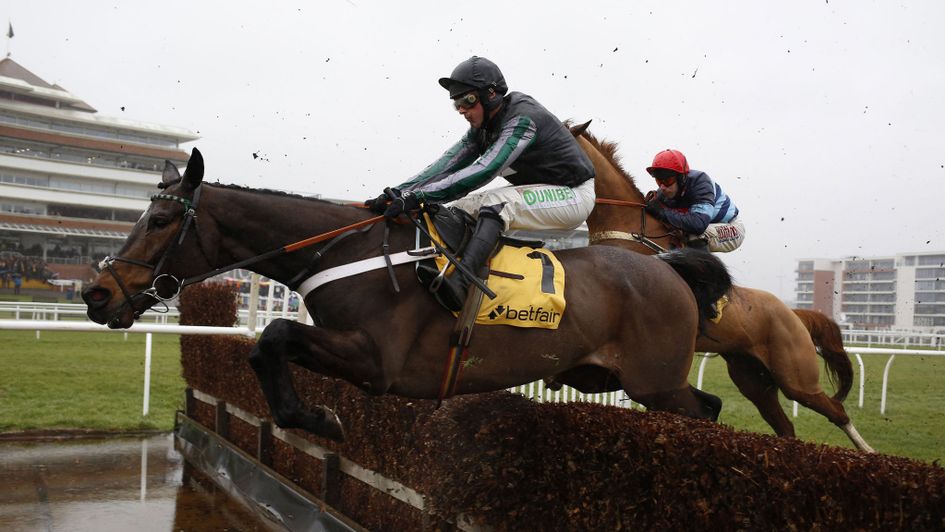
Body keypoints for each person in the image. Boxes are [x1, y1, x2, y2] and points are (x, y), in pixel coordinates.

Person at [366, 56, 596, 310]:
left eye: (468, 100)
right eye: (457, 104)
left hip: (573, 194)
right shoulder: (484, 127)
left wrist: (419, 196)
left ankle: (462, 284)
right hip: (543, 190)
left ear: (492, 95)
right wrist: (400, 191)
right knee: (461, 207)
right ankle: (450, 268)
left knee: (497, 202)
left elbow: (484, 170)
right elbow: (447, 164)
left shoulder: (521, 119)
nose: (462, 109)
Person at [643, 149, 745, 252]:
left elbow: (698, 225)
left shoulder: (700, 183)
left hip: (732, 227)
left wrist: (662, 212)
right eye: (659, 181)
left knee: (694, 236)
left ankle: (701, 268)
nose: (663, 187)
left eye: (668, 180)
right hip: (705, 225)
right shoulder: (663, 193)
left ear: (681, 178)